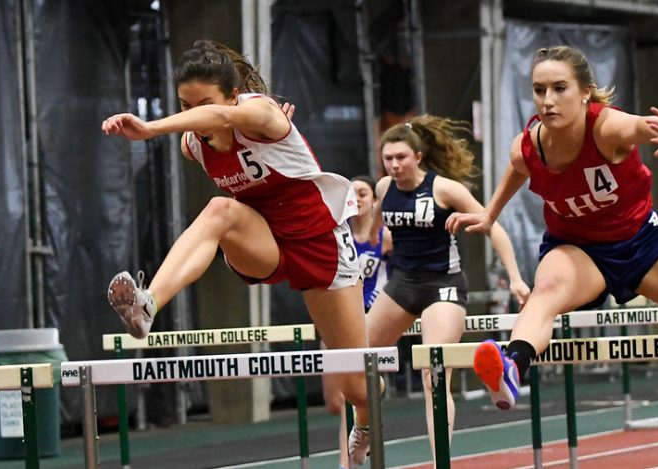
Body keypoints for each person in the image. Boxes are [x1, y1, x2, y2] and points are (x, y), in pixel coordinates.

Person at [445, 45, 658, 411]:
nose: (547, 101)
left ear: (585, 92)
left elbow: (634, 126)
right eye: (539, 90)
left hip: (641, 245)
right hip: (576, 249)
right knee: (546, 292)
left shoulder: (605, 128)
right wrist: (490, 214)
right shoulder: (527, 147)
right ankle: (511, 368)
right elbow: (519, 167)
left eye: (559, 88)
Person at [100, 40, 374, 460]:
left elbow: (226, 118)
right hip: (263, 240)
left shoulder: (260, 113)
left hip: (321, 244)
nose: (193, 118)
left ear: (232, 96)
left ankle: (368, 420)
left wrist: (151, 128)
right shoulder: (193, 143)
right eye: (184, 104)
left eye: (202, 105)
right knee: (219, 212)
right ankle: (148, 303)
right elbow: (209, 125)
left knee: (355, 385)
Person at [363, 116, 531, 462]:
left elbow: (492, 227)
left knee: (432, 376)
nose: (394, 166)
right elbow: (376, 224)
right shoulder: (383, 188)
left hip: (443, 286)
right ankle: (363, 428)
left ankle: (441, 461)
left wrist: (515, 276)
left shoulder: (444, 189)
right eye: (388, 159)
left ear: (419, 157)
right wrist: (372, 239)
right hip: (402, 285)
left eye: (401, 158)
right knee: (358, 357)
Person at [321, 175, 391, 469]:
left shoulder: (384, 237)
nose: (357, 198)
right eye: (352, 193)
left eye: (363, 193)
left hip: (370, 319)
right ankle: (367, 423)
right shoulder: (339, 233)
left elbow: (406, 271)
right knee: (334, 403)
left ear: (374, 200)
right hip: (339, 318)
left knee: (353, 396)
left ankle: (345, 461)